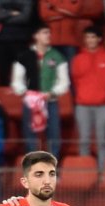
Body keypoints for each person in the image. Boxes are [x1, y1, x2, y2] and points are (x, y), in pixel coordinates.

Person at [11, 24, 69, 157]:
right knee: (30, 133)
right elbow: (17, 81)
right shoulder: (24, 56)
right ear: (36, 36)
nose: (48, 35)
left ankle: (53, 166)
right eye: (44, 33)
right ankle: (32, 166)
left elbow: (64, 81)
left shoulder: (57, 56)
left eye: (49, 33)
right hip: (31, 102)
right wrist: (25, 93)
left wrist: (52, 93)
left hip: (51, 101)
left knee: (54, 134)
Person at [71, 25, 105, 173]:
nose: (90, 40)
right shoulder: (78, 59)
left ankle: (103, 174)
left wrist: (104, 95)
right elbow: (75, 80)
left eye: (93, 37)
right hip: (83, 105)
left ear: (99, 39)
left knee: (102, 142)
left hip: (103, 105)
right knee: (84, 141)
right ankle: (85, 174)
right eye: (87, 37)